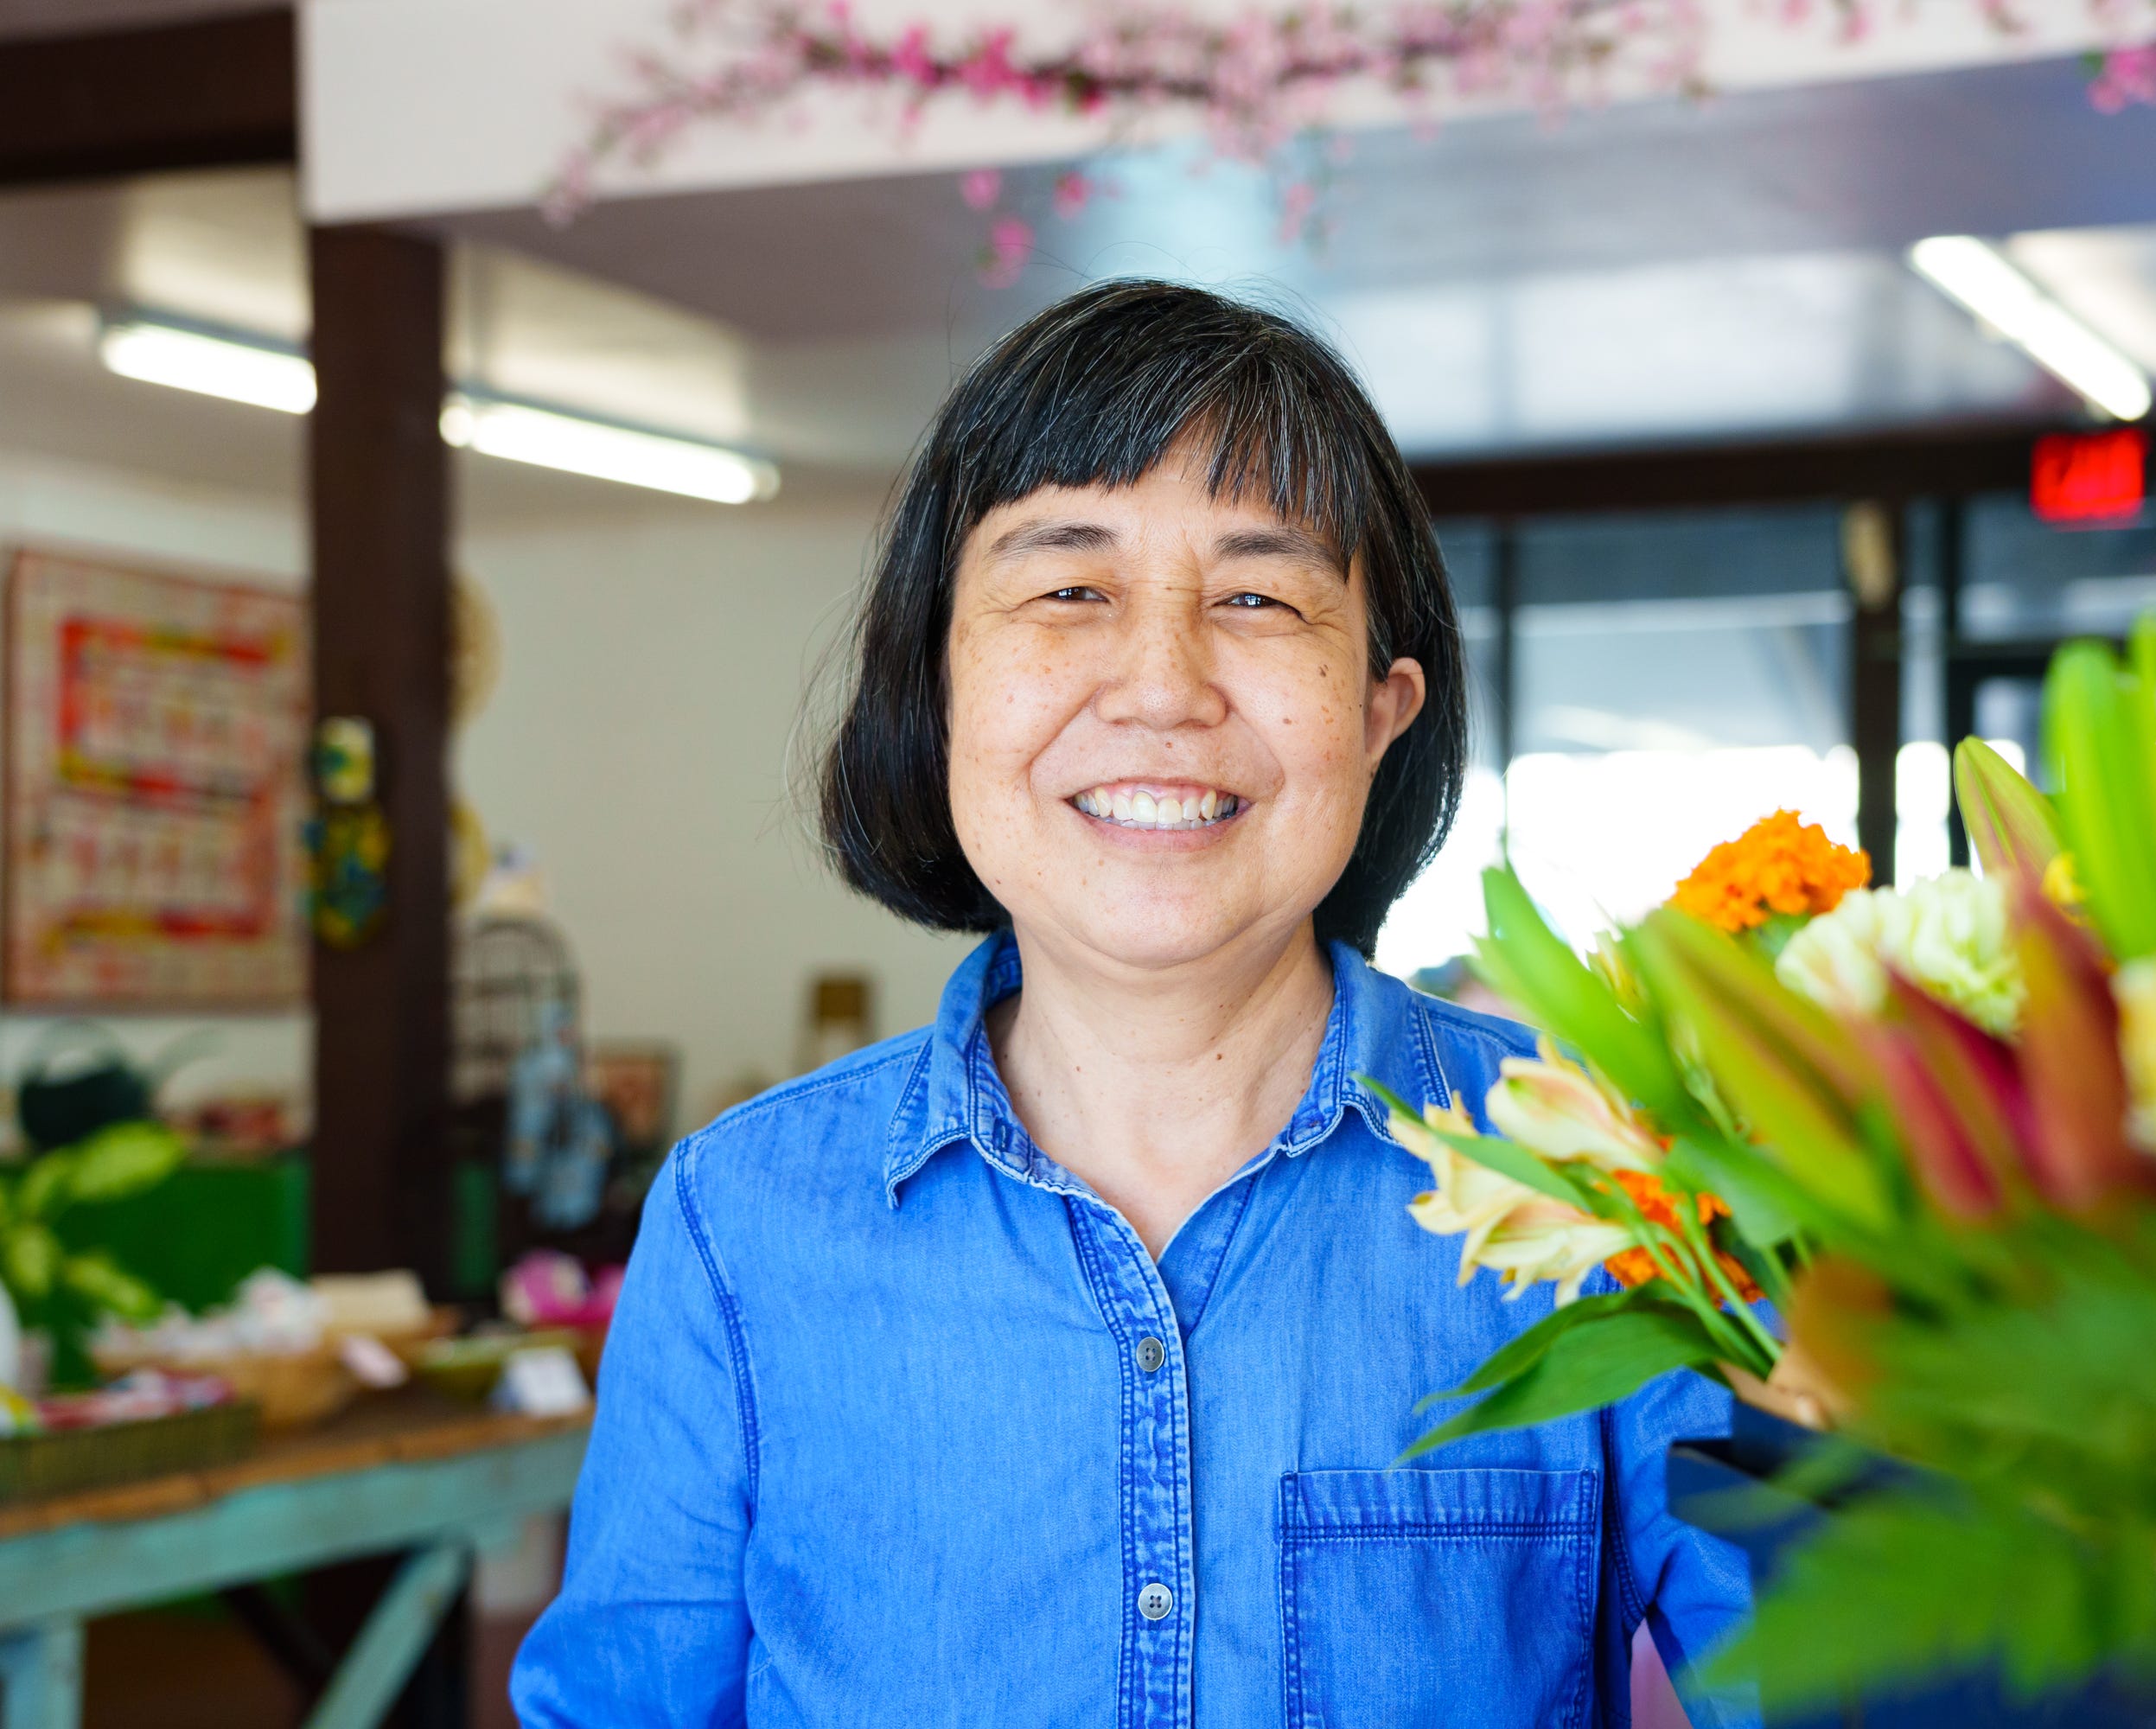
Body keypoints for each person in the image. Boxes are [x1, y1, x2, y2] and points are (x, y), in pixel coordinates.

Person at [511, 279, 1751, 1727]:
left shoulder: (1605, 1181)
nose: (1162, 686)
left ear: (1378, 712)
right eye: (1069, 588)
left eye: (1258, 597)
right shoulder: (744, 1220)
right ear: (941, 684)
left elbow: (1846, 1676)